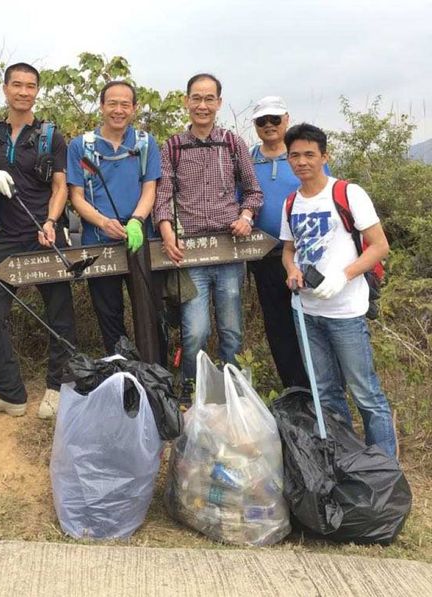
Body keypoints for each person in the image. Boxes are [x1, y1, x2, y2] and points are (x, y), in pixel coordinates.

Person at [0, 62, 76, 420]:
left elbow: (60, 186)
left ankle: (57, 389)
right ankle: (9, 392)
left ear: (37, 92)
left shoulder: (50, 136)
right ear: (5, 88)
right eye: (17, 85)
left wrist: (50, 221)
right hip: (7, 238)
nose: (24, 92)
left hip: (45, 236)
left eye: (31, 86)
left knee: (60, 315)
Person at [280, 123, 396, 458]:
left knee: (365, 393)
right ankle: (346, 459)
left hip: (345, 310)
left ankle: (385, 469)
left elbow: (378, 245)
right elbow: (290, 249)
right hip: (306, 311)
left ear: (324, 156)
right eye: (295, 156)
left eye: (309, 155)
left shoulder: (346, 193)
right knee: (326, 392)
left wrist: (344, 276)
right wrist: (291, 269)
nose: (302, 162)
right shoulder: (291, 203)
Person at [153, 73, 263, 403]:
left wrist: (246, 217)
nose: (202, 105)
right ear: (186, 101)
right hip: (191, 254)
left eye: (209, 98)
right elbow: (163, 195)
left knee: (231, 330)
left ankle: (234, 392)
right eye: (196, 98)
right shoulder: (172, 146)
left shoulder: (232, 143)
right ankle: (192, 391)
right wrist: (166, 230)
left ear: (219, 102)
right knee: (196, 331)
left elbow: (253, 191)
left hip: (229, 251)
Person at [67, 81, 161, 355]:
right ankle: (122, 374)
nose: (118, 110)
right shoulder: (81, 146)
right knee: (109, 316)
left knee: (150, 312)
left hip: (140, 239)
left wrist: (136, 221)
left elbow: (150, 188)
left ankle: (156, 374)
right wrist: (102, 222)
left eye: (125, 104)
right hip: (98, 243)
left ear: (134, 108)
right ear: (101, 106)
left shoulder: (144, 143)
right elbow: (76, 196)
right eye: (112, 103)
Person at [248, 96, 309, 388]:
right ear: (256, 126)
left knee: (312, 322)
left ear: (287, 119)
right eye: (262, 121)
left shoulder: (303, 156)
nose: (269, 125)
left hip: (305, 254)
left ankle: (323, 391)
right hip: (264, 257)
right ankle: (295, 389)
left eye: (275, 119)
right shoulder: (247, 159)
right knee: (278, 325)